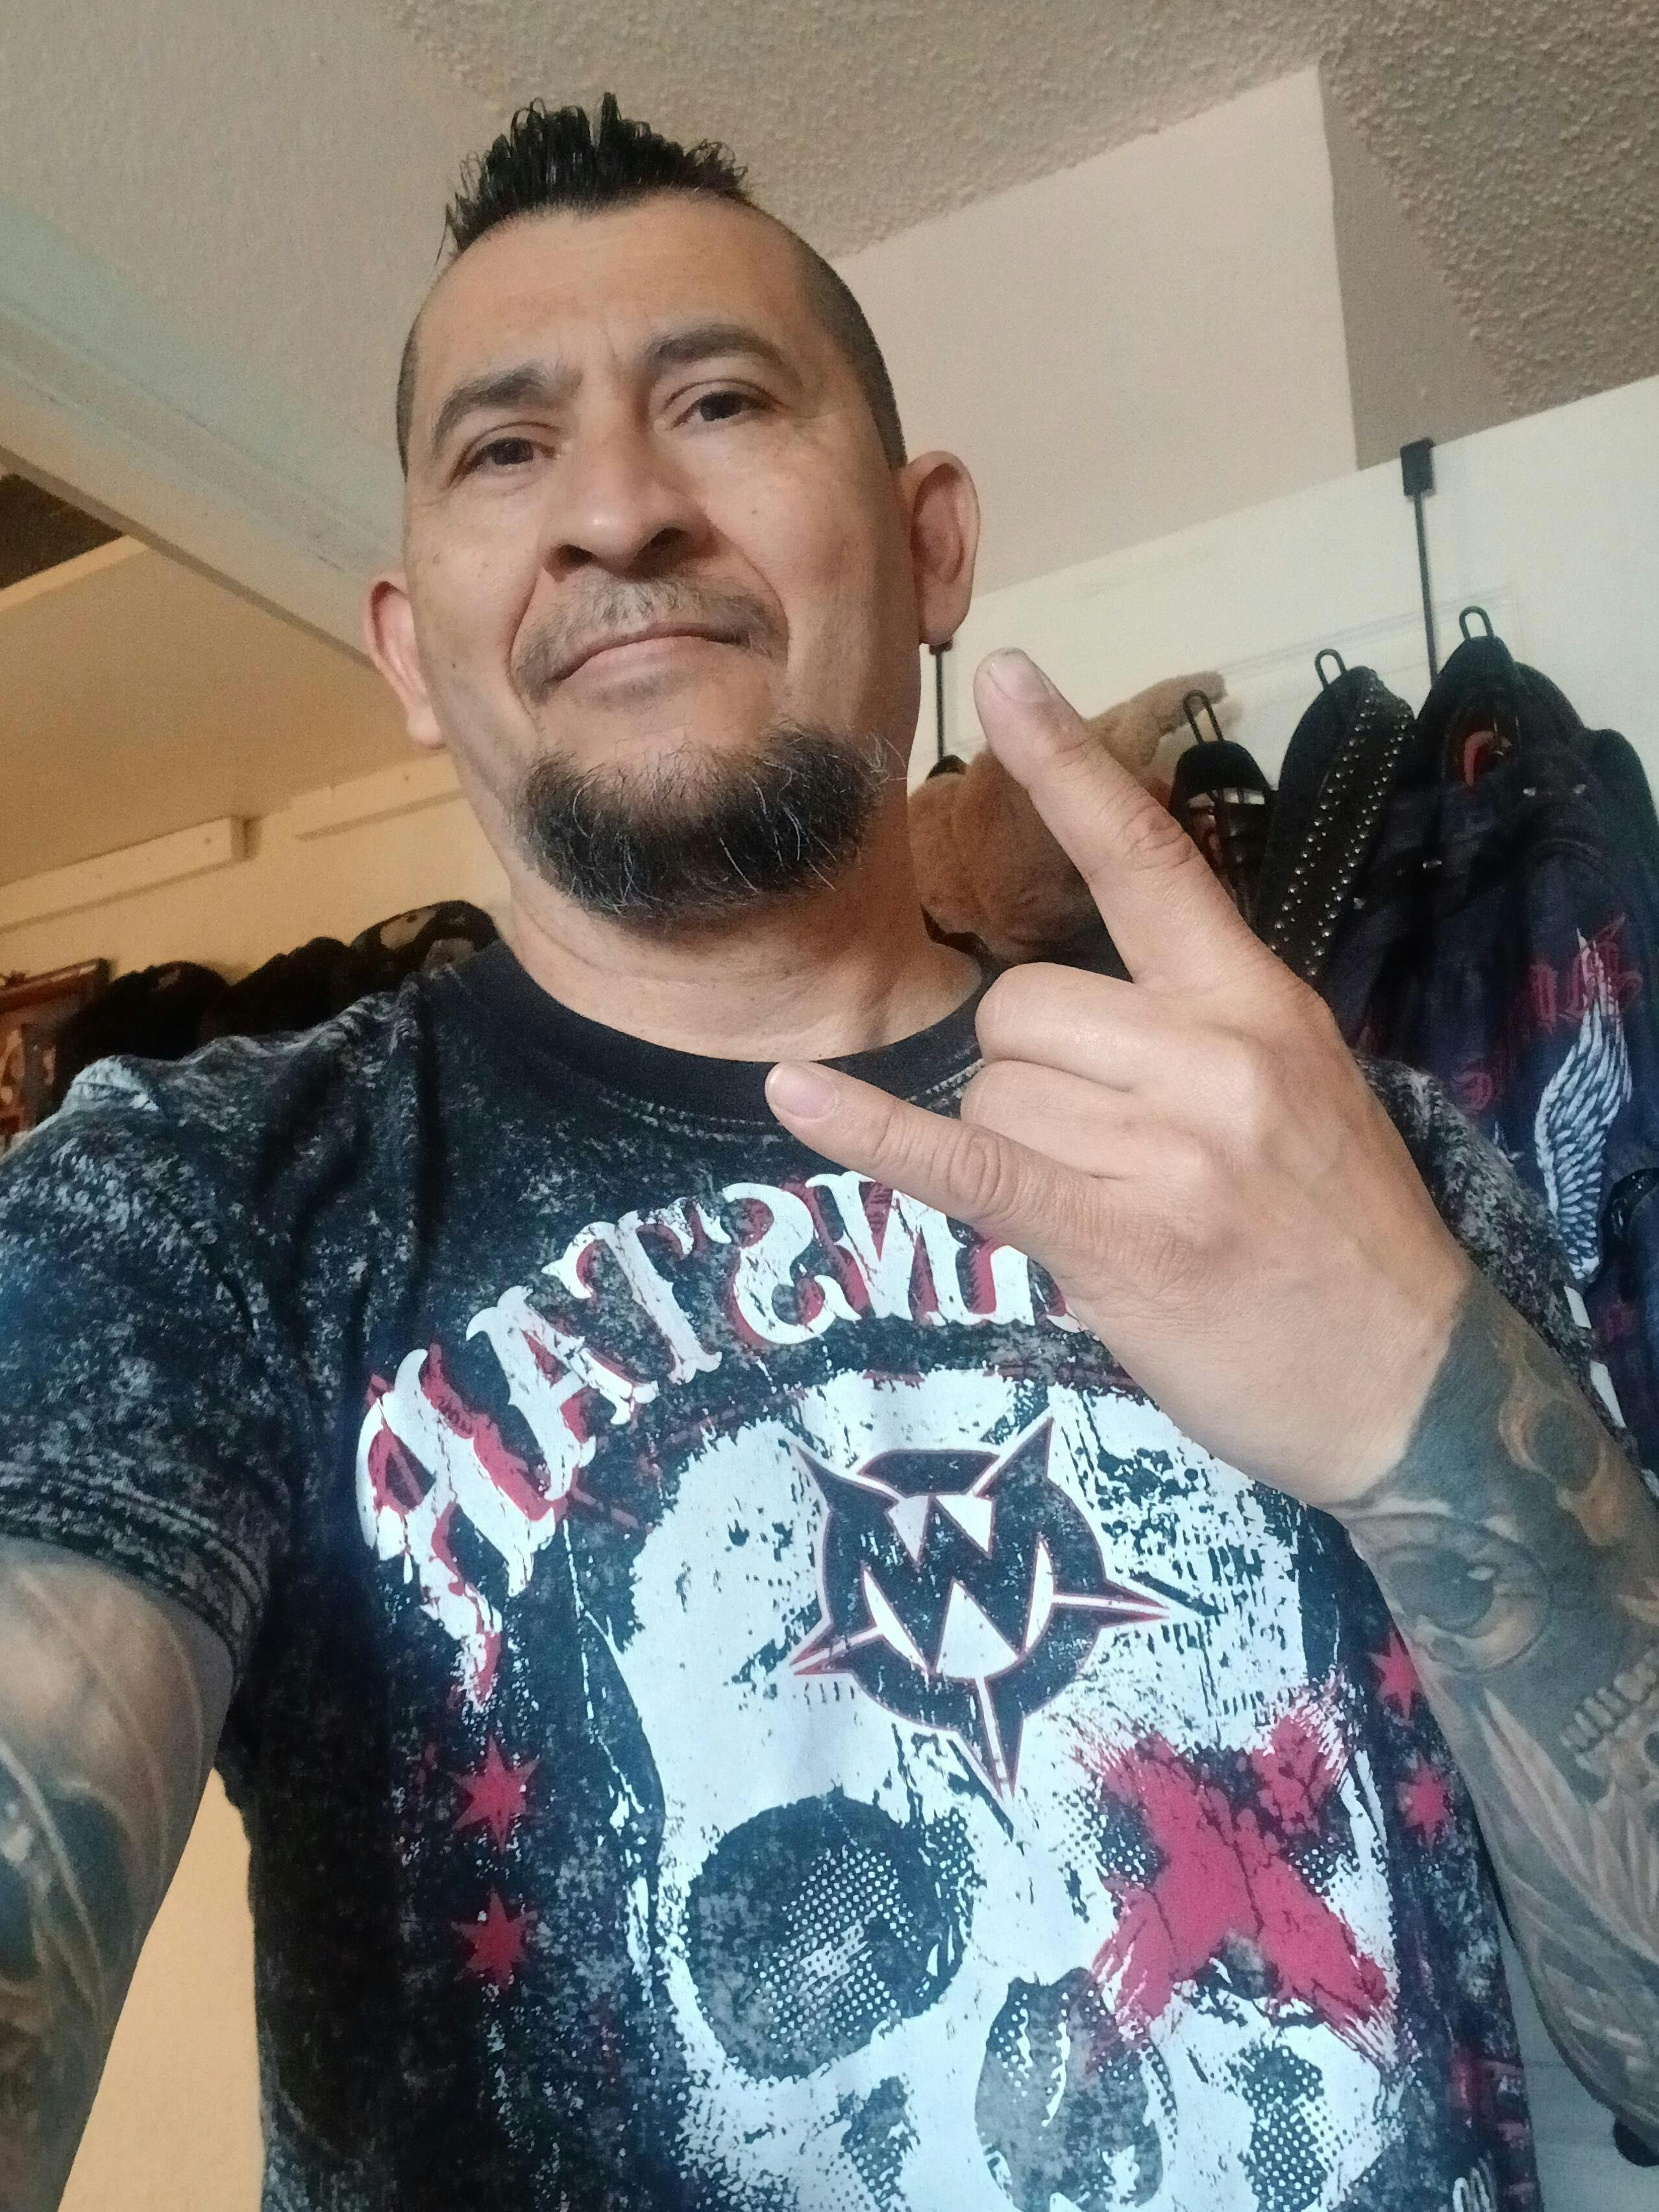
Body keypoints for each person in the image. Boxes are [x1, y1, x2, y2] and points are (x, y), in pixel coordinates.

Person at [1, 93, 1656, 2212]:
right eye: (506, 451)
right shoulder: (205, 1211)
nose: (616, 511)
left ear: (929, 540)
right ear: (410, 649)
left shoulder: (1335, 1154)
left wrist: (1420, 1375)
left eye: (718, 402)